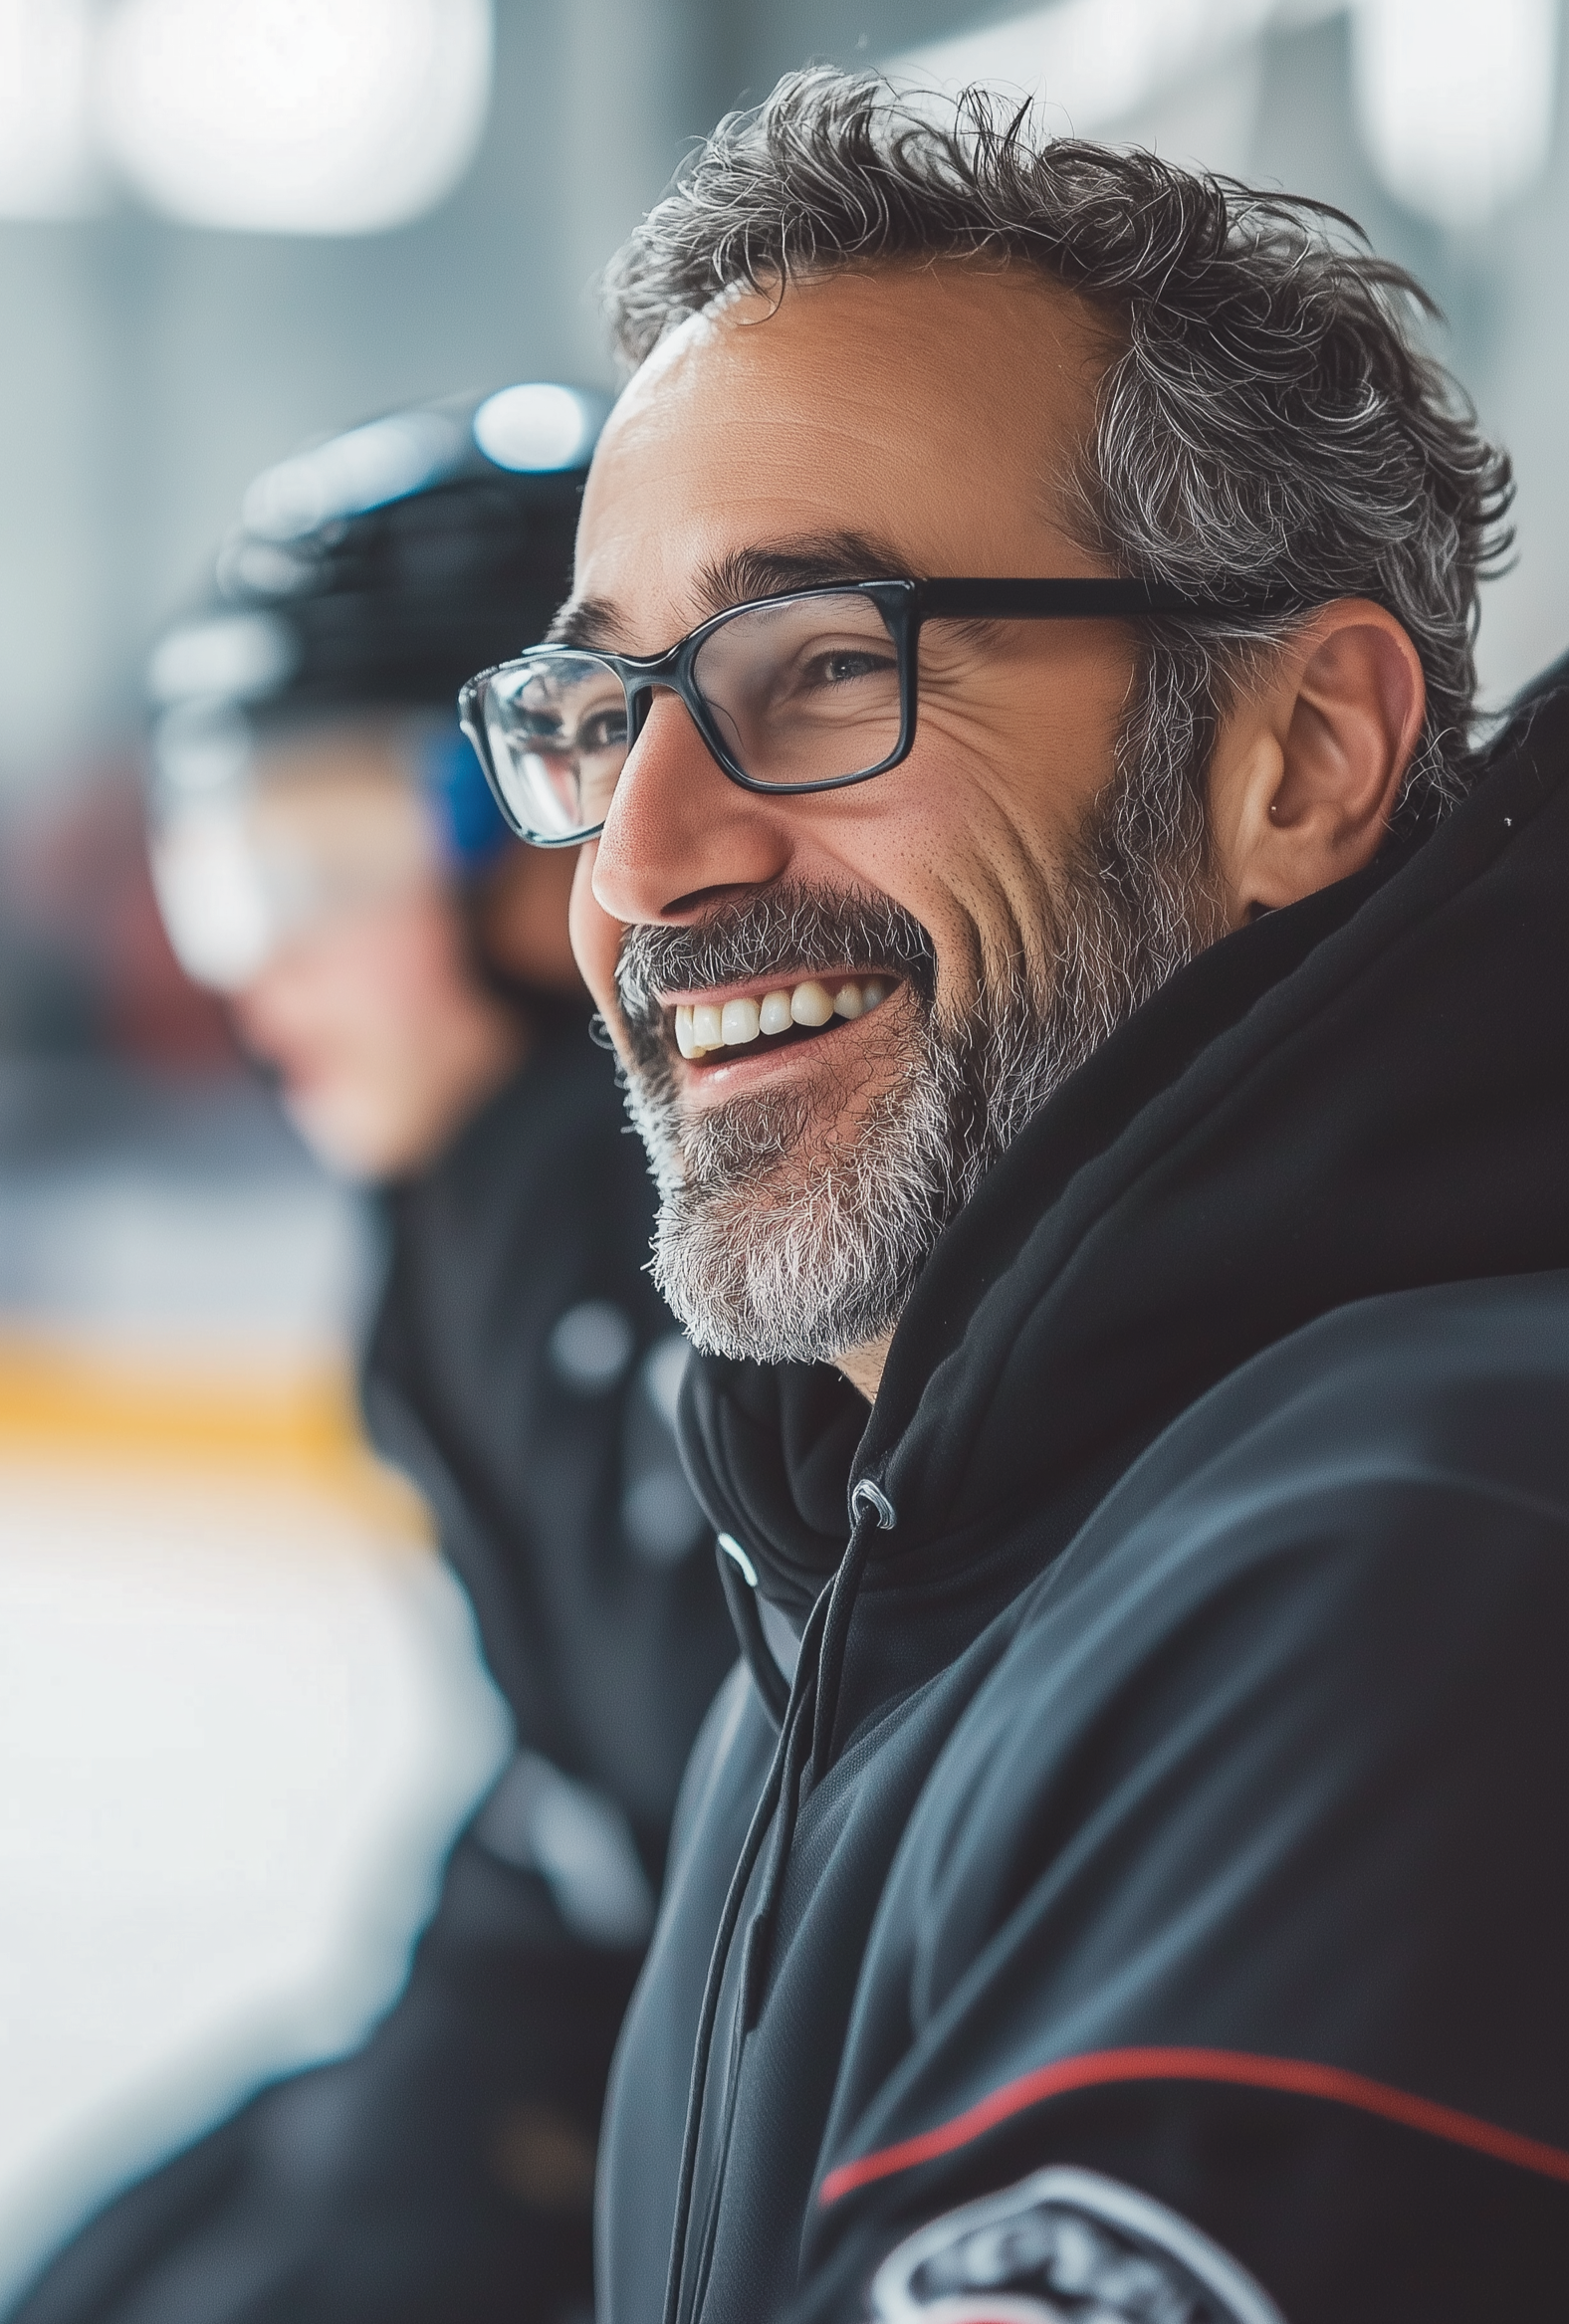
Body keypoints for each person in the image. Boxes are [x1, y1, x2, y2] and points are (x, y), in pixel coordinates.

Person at [457, 76, 1569, 2324]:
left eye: (828, 670)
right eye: (599, 715)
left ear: (1299, 756)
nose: (641, 866)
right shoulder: (886, 1556)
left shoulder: (1397, 1562)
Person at [0, 389, 738, 2324]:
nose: (253, 965)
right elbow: (589, 1794)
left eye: (314, 860)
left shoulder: (703, 1250)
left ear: (547, 821)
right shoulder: (473, 1231)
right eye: (222, 869)